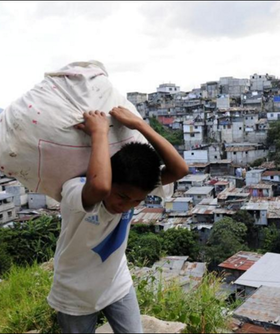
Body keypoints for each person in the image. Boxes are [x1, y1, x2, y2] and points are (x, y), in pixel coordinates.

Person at [47, 107, 189, 333]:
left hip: (116, 282)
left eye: (137, 201)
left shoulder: (135, 187)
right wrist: (99, 133)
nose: (126, 206)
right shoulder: (76, 190)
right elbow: (101, 186)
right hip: (75, 292)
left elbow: (180, 169)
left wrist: (140, 125)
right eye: (122, 197)